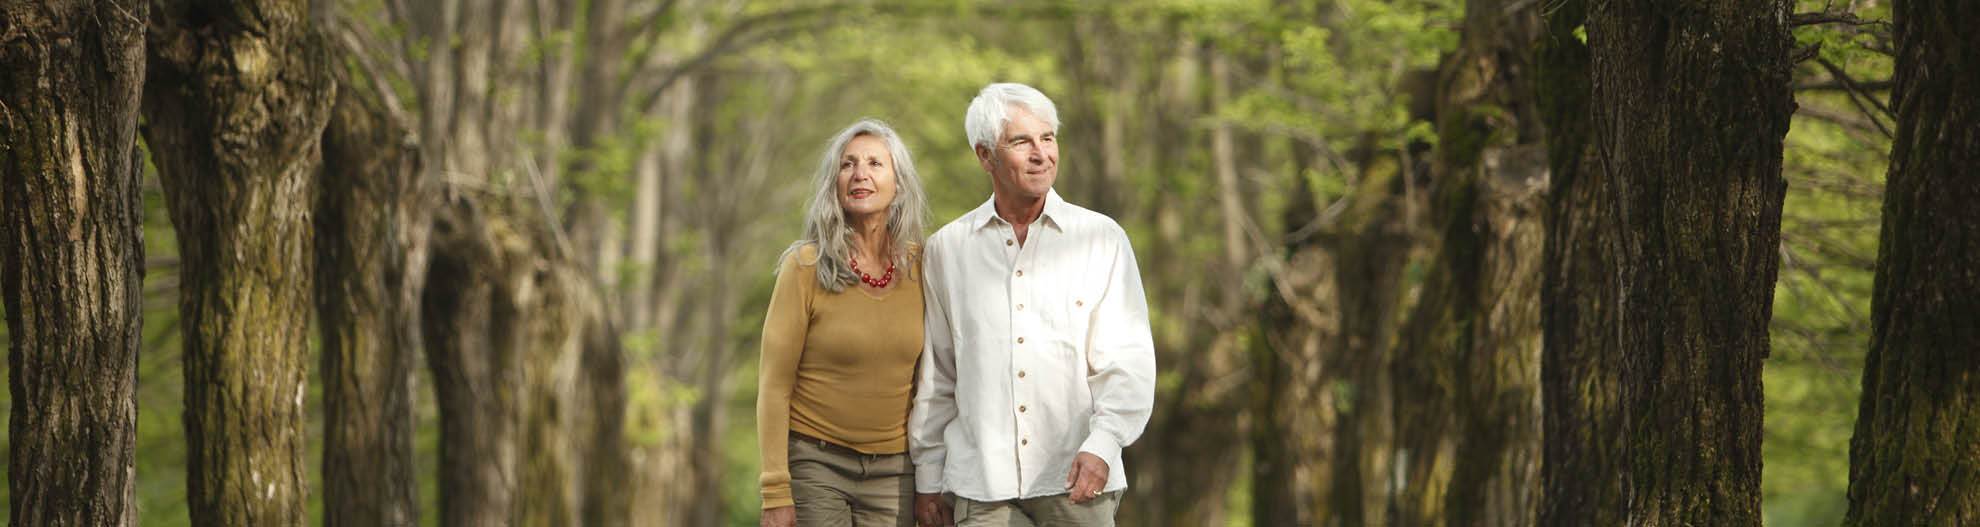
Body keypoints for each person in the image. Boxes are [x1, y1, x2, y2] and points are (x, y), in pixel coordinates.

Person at [909, 83, 1157, 527]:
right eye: (1021, 141)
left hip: (1078, 480)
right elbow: (939, 375)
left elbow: (1128, 360)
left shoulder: (1100, 239)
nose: (1041, 153)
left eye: (1048, 137)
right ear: (986, 156)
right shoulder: (947, 249)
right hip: (980, 484)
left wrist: (1105, 442)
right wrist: (928, 476)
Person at [758, 118, 930, 527]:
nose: (860, 174)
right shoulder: (803, 268)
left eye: (875, 163)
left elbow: (937, 378)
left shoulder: (925, 267)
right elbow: (773, 386)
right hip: (817, 463)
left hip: (897, 471)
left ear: (899, 184)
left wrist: (934, 474)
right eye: (848, 164)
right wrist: (775, 490)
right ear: (834, 182)